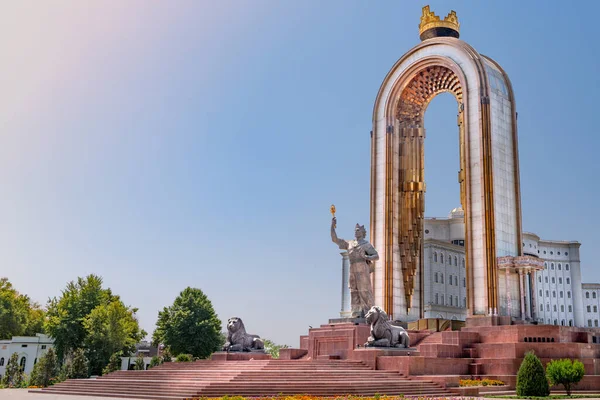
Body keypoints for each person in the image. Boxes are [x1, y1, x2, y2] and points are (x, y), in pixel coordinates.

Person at [331, 217, 379, 318]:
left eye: (358, 231)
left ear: (362, 232)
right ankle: (356, 312)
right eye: (355, 231)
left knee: (364, 290)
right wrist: (332, 226)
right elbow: (335, 239)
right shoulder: (349, 243)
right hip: (352, 268)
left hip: (362, 267)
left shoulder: (366, 245)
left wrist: (366, 257)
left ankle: (369, 312)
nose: (356, 233)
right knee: (354, 290)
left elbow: (376, 256)